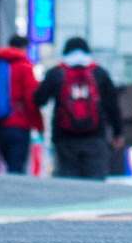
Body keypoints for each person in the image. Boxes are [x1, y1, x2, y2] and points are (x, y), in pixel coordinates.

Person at [35, 36, 124, 179]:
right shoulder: (99, 73)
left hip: (64, 138)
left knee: (68, 181)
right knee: (94, 180)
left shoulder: (56, 73)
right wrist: (118, 132)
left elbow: (39, 99)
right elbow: (112, 106)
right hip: (95, 137)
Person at [0, 36, 42, 174]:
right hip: (19, 123)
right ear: (24, 48)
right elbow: (31, 99)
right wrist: (39, 125)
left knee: (9, 162)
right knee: (16, 166)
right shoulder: (24, 67)